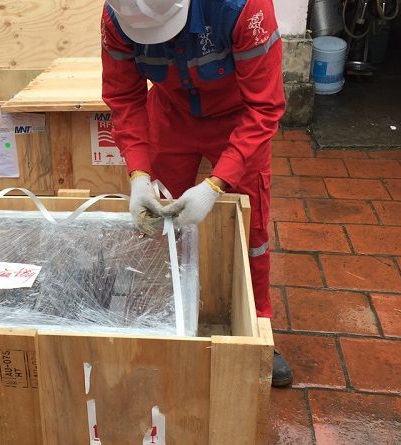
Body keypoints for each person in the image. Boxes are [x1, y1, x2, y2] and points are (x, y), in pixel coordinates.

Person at [101, 0, 293, 386]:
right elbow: (124, 98)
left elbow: (265, 108)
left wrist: (216, 184)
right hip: (170, 114)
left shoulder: (244, 9)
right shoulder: (118, 15)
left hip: (239, 120)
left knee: (250, 233)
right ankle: (161, 319)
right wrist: (139, 173)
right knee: (157, 223)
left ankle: (258, 327)